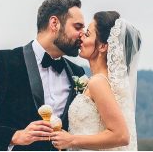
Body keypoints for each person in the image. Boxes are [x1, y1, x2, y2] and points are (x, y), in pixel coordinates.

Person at [0, 0, 87, 150]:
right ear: (54, 23)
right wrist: (15, 136)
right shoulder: (3, 62)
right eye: (78, 27)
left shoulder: (77, 73)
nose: (82, 34)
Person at [50, 11, 141, 151]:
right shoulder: (103, 81)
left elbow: (121, 135)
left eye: (87, 34)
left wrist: (71, 140)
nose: (81, 35)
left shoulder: (98, 82)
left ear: (103, 46)